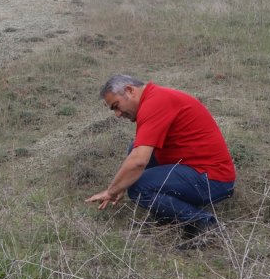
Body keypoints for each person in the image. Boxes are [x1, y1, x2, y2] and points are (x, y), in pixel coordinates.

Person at [84, 74, 236, 248]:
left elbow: (138, 161)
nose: (117, 114)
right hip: (200, 171)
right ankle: (169, 214)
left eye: (116, 106)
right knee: (135, 147)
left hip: (214, 180)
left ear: (129, 90)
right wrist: (121, 184)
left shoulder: (155, 103)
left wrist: (113, 190)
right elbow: (138, 153)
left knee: (138, 187)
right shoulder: (154, 98)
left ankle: (204, 223)